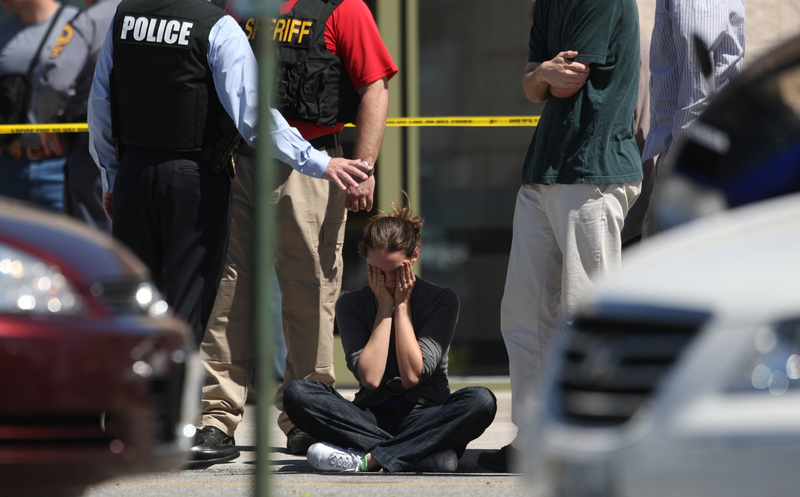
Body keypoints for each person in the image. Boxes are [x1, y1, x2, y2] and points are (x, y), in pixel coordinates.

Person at [87, 0, 371, 349]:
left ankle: (128, 399)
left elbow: (100, 106)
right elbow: (253, 118)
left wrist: (112, 178)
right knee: (185, 306)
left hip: (134, 173)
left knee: (131, 302)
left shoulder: (124, 18)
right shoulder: (217, 25)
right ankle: (176, 401)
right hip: (193, 180)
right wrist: (317, 161)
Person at [193, 0, 399, 461]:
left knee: (310, 294)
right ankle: (215, 418)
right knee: (227, 296)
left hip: (316, 168)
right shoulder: (234, 7)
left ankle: (307, 416)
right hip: (238, 165)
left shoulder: (342, 9)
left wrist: (364, 168)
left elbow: (375, 87)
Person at [477, 0, 643, 473]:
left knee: (584, 315)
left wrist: (543, 73)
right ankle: (531, 441)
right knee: (523, 314)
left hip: (593, 171)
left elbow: (565, 80)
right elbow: (534, 87)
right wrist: (541, 74)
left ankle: (590, 441)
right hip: (543, 172)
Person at [282, 204, 497, 473]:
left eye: (396, 271)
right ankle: (419, 454)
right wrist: (385, 308)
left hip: (425, 414)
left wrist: (402, 306)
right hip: (370, 416)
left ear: (415, 255)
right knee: (297, 393)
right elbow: (371, 379)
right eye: (376, 271)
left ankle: (369, 459)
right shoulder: (351, 304)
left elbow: (411, 376)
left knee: (481, 401)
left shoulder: (441, 300)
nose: (387, 282)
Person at [641, 0, 745, 237]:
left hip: (691, 154)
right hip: (697, 150)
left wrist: (679, 160)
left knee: (669, 262)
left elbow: (698, 90)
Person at [32, 0, 121, 233]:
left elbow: (56, 82)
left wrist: (45, 121)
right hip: (149, 152)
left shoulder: (88, 21)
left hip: (94, 153)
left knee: (94, 240)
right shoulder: (146, 16)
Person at [0, 0, 79, 212]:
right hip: (9, 166)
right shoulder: (3, 32)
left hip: (63, 166)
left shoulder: (78, 25)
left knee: (66, 243)